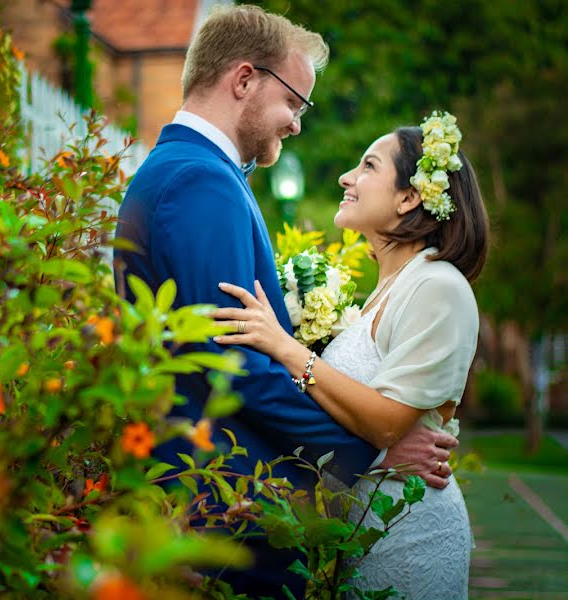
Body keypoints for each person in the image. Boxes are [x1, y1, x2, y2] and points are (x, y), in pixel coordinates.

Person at [114, 5, 458, 597]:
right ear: (244, 80)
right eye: (295, 102)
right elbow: (235, 362)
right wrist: (370, 454)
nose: (297, 124)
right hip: (227, 507)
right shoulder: (201, 179)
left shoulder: (191, 171)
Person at [212, 111, 488, 598]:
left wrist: (285, 346)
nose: (347, 177)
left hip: (410, 536)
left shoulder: (438, 286)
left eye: (368, 166)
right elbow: (369, 425)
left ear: (409, 197)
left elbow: (384, 424)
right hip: (361, 534)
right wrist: (377, 460)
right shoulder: (386, 290)